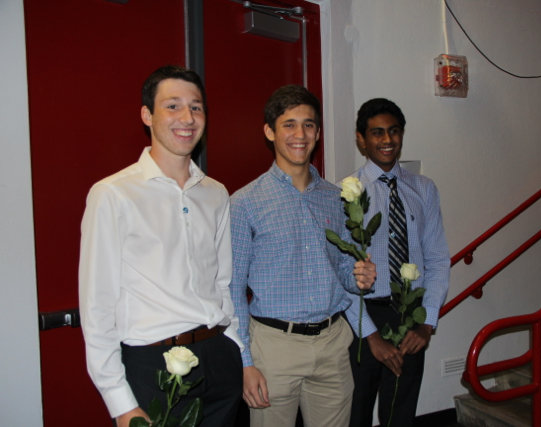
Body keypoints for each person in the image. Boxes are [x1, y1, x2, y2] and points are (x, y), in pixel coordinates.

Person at [79, 65, 243, 427]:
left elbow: (222, 283)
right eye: (173, 106)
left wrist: (235, 349)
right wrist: (120, 403)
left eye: (196, 107)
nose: (187, 117)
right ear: (146, 115)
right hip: (153, 366)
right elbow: (97, 307)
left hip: (218, 359)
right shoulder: (113, 194)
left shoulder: (216, 193)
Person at [230, 84, 377, 427]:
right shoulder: (245, 203)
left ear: (318, 133)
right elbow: (233, 290)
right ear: (270, 131)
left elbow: (341, 267)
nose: (300, 134)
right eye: (289, 124)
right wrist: (244, 363)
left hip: (332, 344)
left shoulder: (336, 196)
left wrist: (358, 277)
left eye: (308, 124)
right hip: (273, 347)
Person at [345, 98, 450, 427]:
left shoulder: (424, 189)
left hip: (411, 317)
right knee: (355, 410)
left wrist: (426, 322)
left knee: (399, 411)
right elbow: (339, 273)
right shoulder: (345, 192)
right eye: (377, 133)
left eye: (393, 131)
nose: (387, 140)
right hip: (362, 317)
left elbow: (437, 260)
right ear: (362, 139)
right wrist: (370, 336)